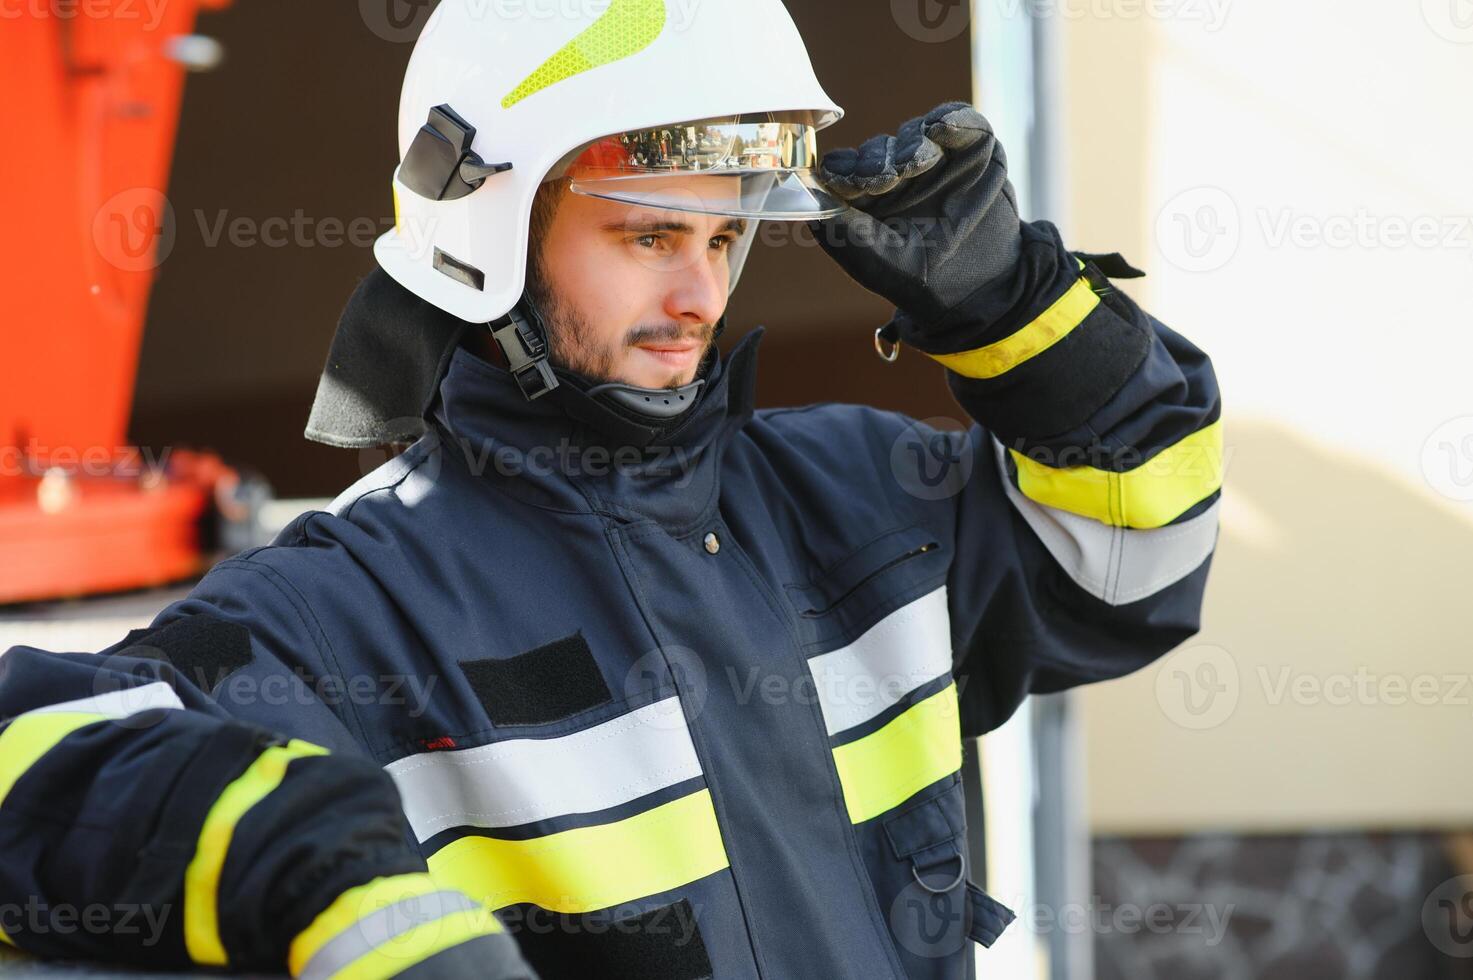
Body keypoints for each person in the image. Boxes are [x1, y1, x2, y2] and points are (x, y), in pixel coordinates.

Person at [0, 1, 1222, 977]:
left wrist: (1021, 308)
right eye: (648, 237)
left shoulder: (858, 495)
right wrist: (313, 867)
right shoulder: (354, 610)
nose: (699, 294)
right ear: (489, 233)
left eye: (724, 237)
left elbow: (1134, 569)